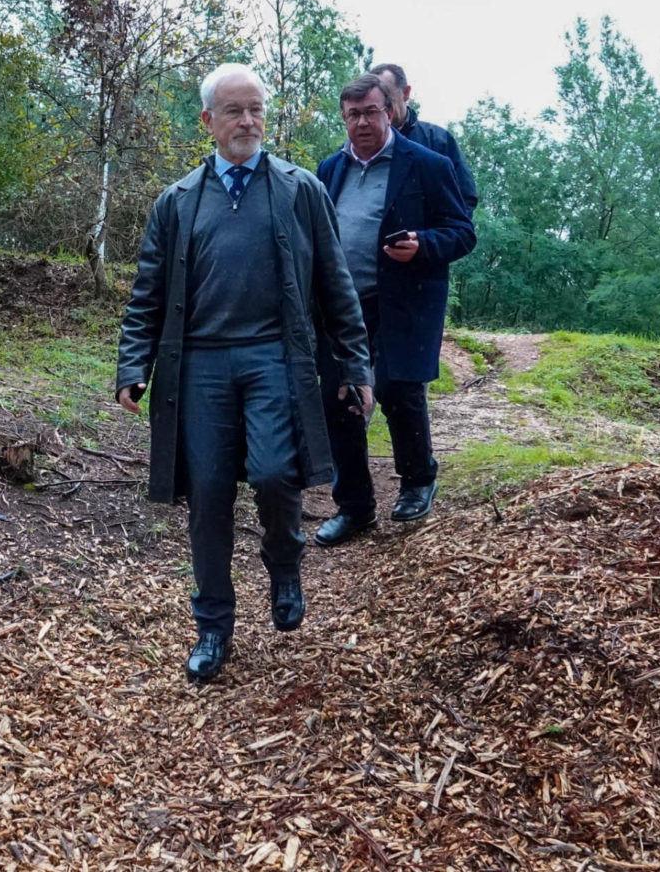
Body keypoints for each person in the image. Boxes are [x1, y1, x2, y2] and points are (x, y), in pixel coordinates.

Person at [115, 62, 373, 683]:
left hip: (274, 358)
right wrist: (133, 363)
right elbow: (148, 294)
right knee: (206, 495)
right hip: (199, 365)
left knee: (276, 474)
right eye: (234, 110)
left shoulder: (300, 191)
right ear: (208, 120)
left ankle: (284, 564)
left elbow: (335, 284)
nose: (248, 121)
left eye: (256, 109)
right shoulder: (176, 202)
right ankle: (212, 626)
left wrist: (355, 362)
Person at [312, 74, 476, 547]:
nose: (362, 122)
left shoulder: (427, 164)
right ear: (344, 118)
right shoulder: (329, 169)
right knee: (339, 399)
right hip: (342, 305)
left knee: (397, 388)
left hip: (404, 300)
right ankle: (354, 507)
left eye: (371, 112)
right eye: (353, 114)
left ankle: (418, 480)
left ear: (390, 111)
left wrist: (424, 243)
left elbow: (462, 232)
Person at [370, 62, 479, 209]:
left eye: (387, 96)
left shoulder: (439, 141)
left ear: (406, 93)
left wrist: (444, 225)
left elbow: (465, 197)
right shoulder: (357, 148)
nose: (382, 106)